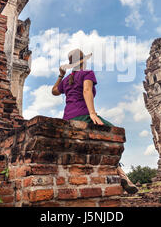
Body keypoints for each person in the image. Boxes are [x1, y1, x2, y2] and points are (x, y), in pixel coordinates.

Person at [52, 49, 138, 194]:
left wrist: (61, 75)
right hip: (83, 114)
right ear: (83, 61)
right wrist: (92, 113)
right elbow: (87, 91)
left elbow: (54, 91)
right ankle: (120, 173)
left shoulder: (66, 79)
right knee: (113, 134)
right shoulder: (87, 73)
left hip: (67, 117)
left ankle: (122, 175)